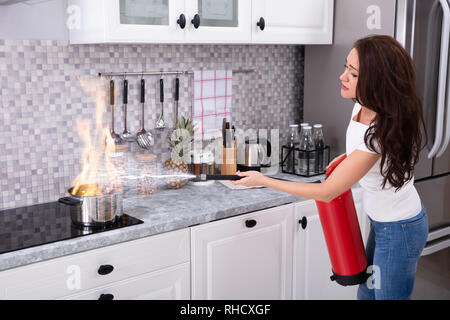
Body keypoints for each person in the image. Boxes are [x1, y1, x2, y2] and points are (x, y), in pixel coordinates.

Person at [232, 35, 429, 300]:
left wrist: (263, 180)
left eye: (353, 73)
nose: (342, 76)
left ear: (377, 82)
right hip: (383, 224)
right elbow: (364, 150)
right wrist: (348, 157)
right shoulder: (363, 105)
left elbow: (327, 192)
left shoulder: (380, 132)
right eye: (346, 67)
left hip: (399, 229)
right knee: (366, 295)